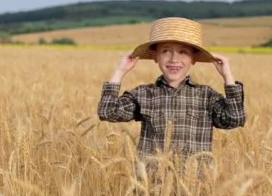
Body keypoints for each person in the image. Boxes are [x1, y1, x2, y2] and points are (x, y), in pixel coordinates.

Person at [97, 17, 245, 163]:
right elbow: (108, 112)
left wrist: (227, 76)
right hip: (151, 184)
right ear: (155, 56)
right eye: (166, 51)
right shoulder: (143, 94)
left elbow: (234, 119)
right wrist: (120, 71)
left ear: (194, 58)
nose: (174, 59)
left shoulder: (206, 95)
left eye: (183, 52)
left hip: (195, 183)